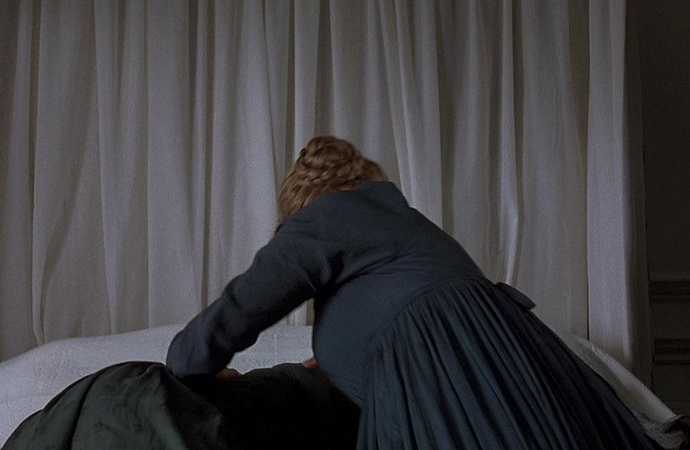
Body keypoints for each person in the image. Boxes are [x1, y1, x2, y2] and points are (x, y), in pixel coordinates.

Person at [166, 136, 662, 449]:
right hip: (527, 369)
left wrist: (186, 363)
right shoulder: (411, 229)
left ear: (302, 207)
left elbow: (241, 308)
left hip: (444, 387)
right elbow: (390, 312)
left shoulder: (323, 218)